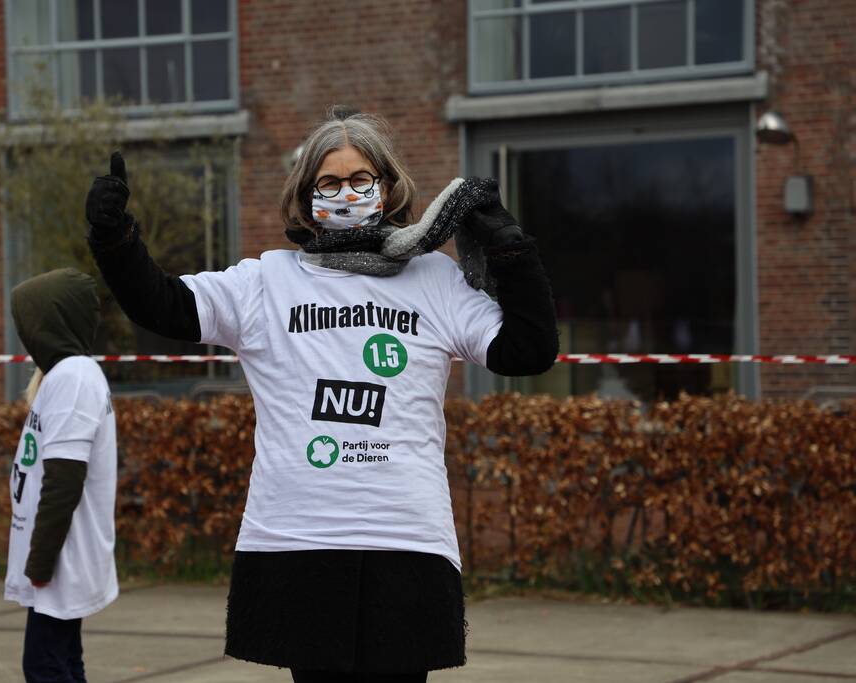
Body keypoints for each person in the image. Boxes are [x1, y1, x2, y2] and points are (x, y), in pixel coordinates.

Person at [84, 108, 558, 682]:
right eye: (328, 183)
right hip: (298, 540)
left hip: (406, 542)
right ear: (306, 196)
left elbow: (528, 350)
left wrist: (512, 249)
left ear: (388, 187)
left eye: (362, 180)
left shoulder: (433, 279)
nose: (347, 193)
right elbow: (162, 304)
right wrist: (114, 240)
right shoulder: (266, 281)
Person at [5, 268, 119, 683]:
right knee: (65, 663)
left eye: (28, 323)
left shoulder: (73, 378)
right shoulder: (64, 377)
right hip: (58, 560)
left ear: (50, 323)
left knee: (45, 666)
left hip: (60, 560)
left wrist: (40, 561)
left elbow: (63, 481)